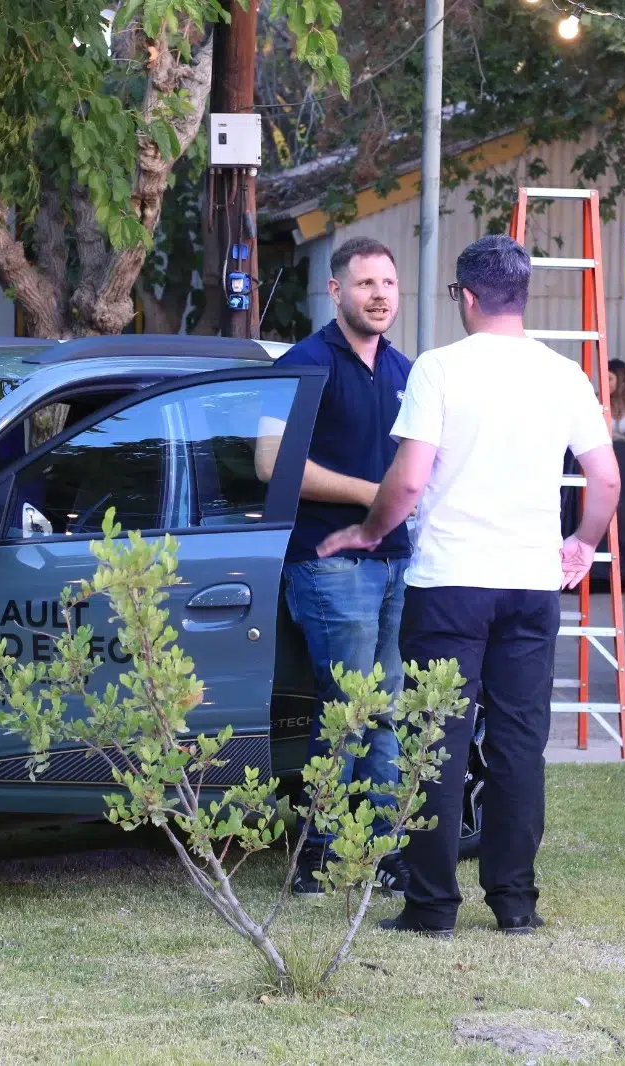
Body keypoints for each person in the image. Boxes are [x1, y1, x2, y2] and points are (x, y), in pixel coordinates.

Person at [318, 234, 621, 937]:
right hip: (529, 582)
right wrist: (579, 544)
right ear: (522, 295)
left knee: (437, 739)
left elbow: (412, 477)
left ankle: (431, 905)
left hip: (450, 581)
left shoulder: (439, 369)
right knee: (519, 742)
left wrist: (369, 529)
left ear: (468, 296)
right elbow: (605, 478)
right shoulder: (562, 373)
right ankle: (515, 904)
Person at [254, 236, 413, 899]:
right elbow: (270, 462)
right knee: (346, 708)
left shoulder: (409, 371)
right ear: (336, 291)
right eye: (366, 283)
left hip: (396, 561)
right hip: (329, 565)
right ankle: (318, 854)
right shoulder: (302, 364)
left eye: (388, 284)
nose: (379, 295)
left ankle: (383, 849)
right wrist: (368, 494)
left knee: (386, 711)